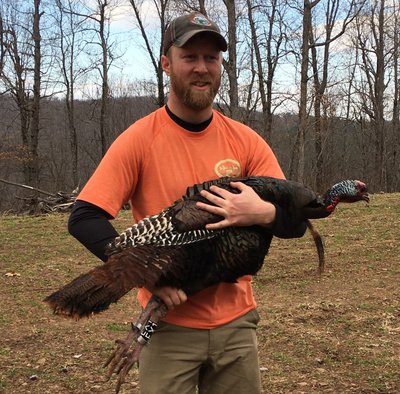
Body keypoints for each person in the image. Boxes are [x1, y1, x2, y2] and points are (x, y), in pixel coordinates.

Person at [68, 11, 306, 394]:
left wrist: (262, 212)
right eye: (189, 57)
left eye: (211, 58)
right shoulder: (140, 139)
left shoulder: (245, 141)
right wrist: (147, 274)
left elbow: (294, 220)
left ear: (221, 66)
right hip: (166, 327)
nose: (201, 68)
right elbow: (84, 217)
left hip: (237, 326)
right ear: (166, 63)